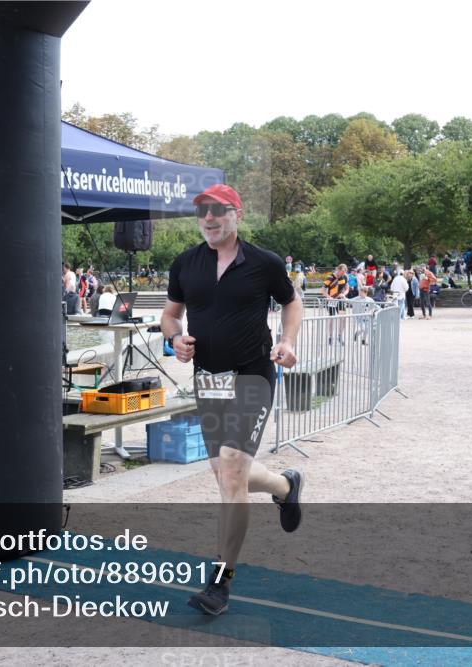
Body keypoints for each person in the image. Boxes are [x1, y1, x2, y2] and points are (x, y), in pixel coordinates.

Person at [161, 183, 302, 617]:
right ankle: (284, 485)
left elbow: (291, 303)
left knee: (233, 470)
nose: (208, 219)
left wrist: (288, 340)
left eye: (218, 212)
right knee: (226, 475)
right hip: (209, 379)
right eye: (202, 212)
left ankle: (220, 582)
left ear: (236, 214)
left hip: (252, 376)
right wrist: (175, 339)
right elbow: (171, 314)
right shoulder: (186, 263)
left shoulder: (264, 263)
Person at [321, 264, 348, 343]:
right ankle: (330, 336)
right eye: (342, 272)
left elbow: (347, 288)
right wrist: (329, 297)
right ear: (338, 270)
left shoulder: (345, 277)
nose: (343, 274)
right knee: (331, 318)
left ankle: (340, 336)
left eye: (345, 272)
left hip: (340, 300)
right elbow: (322, 291)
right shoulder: (330, 277)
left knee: (343, 318)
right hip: (331, 300)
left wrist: (344, 294)